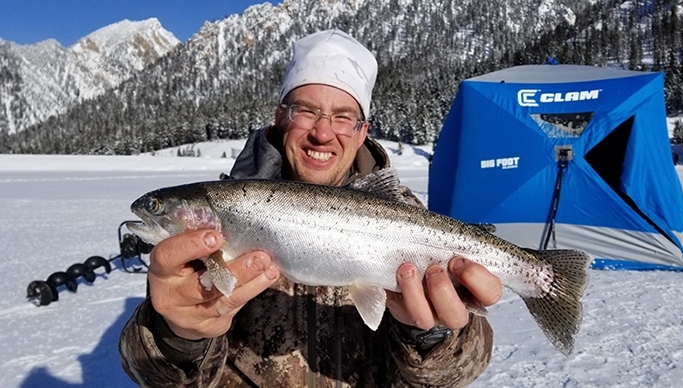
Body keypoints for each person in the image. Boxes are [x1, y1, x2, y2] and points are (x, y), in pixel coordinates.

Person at [119, 29, 501, 387]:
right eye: (306, 110)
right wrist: (176, 334)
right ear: (280, 116)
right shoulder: (218, 225)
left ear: (362, 131)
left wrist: (432, 334)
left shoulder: (408, 218)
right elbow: (152, 374)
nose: (322, 132)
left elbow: (461, 370)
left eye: (343, 116)